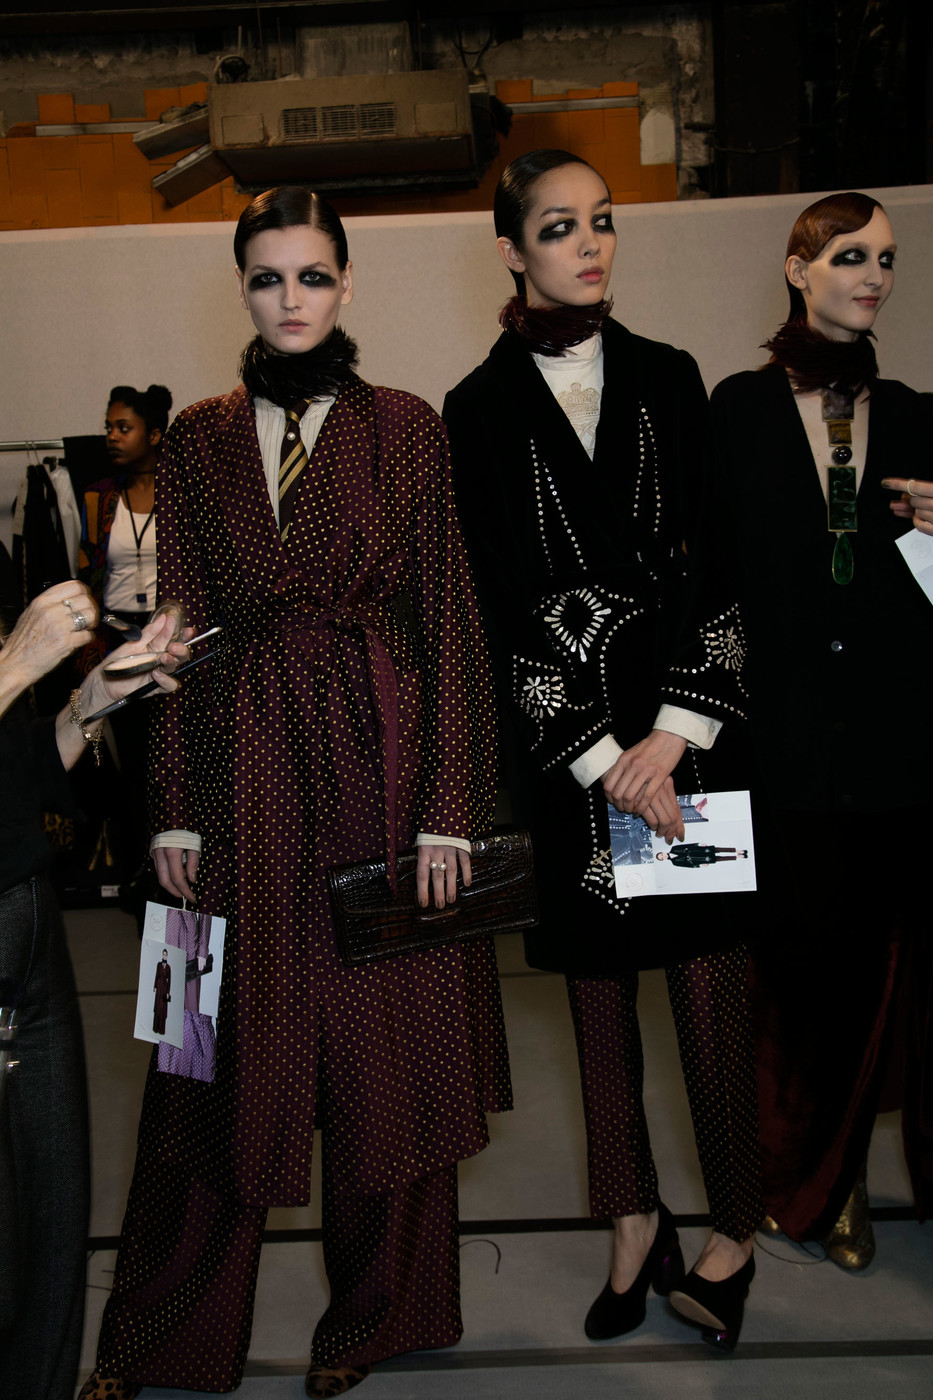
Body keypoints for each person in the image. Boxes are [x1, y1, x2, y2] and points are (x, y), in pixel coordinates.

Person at [80, 186, 510, 1400]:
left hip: (382, 760)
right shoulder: (196, 436)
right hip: (234, 769)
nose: (291, 299)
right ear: (243, 288)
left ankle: (376, 1316)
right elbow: (180, 627)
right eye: (267, 278)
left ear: (347, 282)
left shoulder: (407, 427)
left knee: (389, 1061)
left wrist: (450, 807)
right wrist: (169, 802)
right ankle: (157, 1332)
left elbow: (449, 621)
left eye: (312, 275)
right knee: (198, 1057)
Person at [444, 149, 763, 1354]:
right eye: (560, 226)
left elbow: (723, 563)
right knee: (596, 1003)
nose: (590, 243)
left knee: (714, 995)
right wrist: (599, 755)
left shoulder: (673, 377)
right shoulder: (474, 410)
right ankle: (632, 1218)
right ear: (512, 249)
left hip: (692, 749)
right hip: (576, 762)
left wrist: (674, 734)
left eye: (604, 221)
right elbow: (498, 603)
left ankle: (735, 1228)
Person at [709, 191, 933, 1267]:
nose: (873, 275)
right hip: (778, 744)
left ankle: (844, 1180)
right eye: (850, 255)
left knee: (880, 976)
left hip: (898, 747)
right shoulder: (738, 408)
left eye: (885, 258)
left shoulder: (920, 415)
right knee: (793, 975)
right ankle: (797, 1177)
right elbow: (711, 577)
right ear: (798, 268)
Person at [0, 579, 189, 1400]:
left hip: (25, 929)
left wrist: (92, 701)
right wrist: (13, 667)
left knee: (50, 1235)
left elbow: (16, 764)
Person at [78, 384, 173, 883]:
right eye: (108, 428)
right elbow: (86, 574)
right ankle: (143, 877)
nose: (112, 436)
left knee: (175, 761)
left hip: (168, 640)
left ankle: (181, 878)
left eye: (124, 427)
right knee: (133, 766)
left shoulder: (181, 493)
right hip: (117, 643)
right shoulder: (98, 497)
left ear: (154, 435)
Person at [152, 948, 171, 1035]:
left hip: (164, 988)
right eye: (163, 954)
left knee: (163, 1008)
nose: (164, 956)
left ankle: (161, 1030)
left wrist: (168, 992)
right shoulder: (159, 964)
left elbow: (169, 980)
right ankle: (155, 1028)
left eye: (165, 955)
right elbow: (156, 975)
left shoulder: (168, 967)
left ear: (167, 956)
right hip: (159, 988)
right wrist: (155, 986)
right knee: (157, 1006)